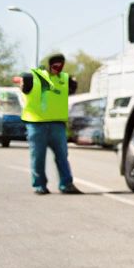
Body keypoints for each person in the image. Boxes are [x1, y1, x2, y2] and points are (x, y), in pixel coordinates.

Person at [19, 52, 80, 195]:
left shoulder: (64, 79)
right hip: (36, 124)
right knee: (38, 157)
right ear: (48, 64)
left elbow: (71, 90)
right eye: (55, 62)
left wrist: (73, 83)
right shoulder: (33, 78)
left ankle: (66, 184)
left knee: (62, 156)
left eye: (61, 63)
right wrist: (24, 81)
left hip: (57, 125)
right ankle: (39, 186)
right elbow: (24, 86)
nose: (58, 66)